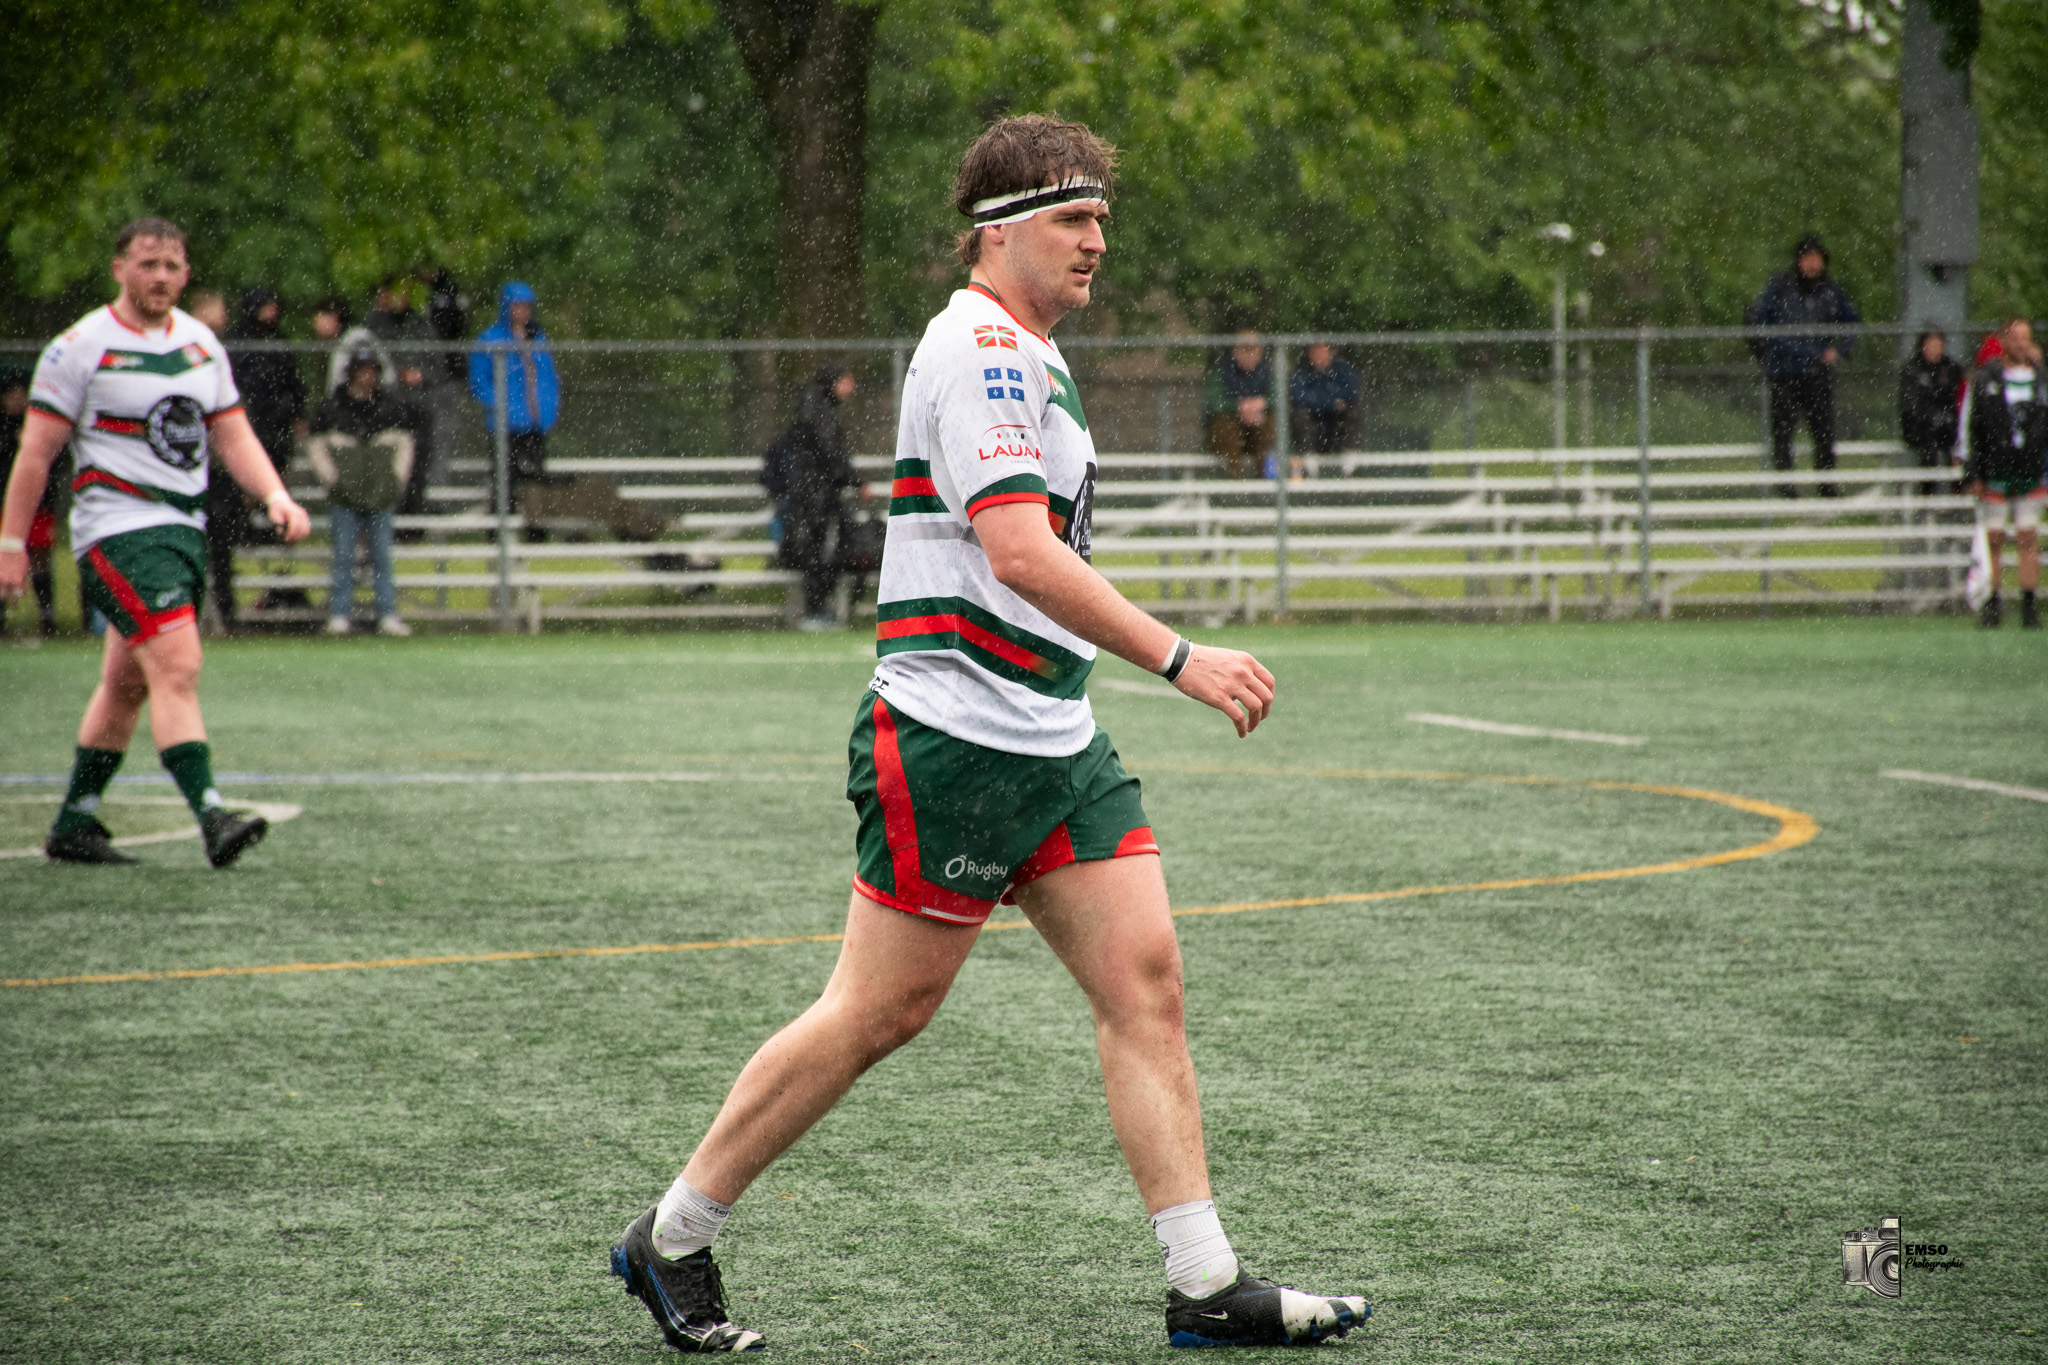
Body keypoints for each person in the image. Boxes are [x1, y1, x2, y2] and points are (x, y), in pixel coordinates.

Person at [606, 115, 1369, 1354]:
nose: (1096, 243)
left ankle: (1202, 1282)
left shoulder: (1026, 351)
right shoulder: (981, 352)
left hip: (1051, 740)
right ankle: (672, 1235)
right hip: (953, 743)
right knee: (876, 1014)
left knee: (1145, 984)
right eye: (1074, 219)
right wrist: (1180, 658)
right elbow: (1016, 551)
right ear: (1000, 230)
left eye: (1103, 221)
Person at [0, 216, 312, 866]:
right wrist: (9, 544)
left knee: (126, 683)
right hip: (117, 531)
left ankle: (75, 822)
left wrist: (276, 494)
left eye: (172, 266)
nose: (160, 276)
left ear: (187, 274)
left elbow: (231, 434)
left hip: (181, 529)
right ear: (119, 268)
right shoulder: (78, 346)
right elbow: (35, 456)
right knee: (177, 665)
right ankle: (212, 815)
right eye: (147, 264)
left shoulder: (200, 343)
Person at [204, 287, 307, 631]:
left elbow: (294, 389)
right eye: (265, 307)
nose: (271, 313)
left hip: (271, 441)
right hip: (233, 460)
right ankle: (225, 611)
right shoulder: (233, 346)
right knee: (222, 537)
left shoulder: (280, 345)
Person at [307, 348, 414, 636]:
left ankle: (387, 614)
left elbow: (404, 445)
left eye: (372, 370)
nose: (368, 376)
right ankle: (340, 613)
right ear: (352, 372)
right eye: (363, 369)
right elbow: (316, 447)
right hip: (345, 496)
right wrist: (333, 481)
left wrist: (394, 482)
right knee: (343, 555)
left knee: (381, 555)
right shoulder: (332, 408)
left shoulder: (391, 408)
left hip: (380, 494)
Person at [1745, 235, 1861, 498]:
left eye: (1816, 258)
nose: (1811, 264)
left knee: (1824, 430)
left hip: (1817, 374)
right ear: (1798, 260)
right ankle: (1786, 485)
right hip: (1786, 373)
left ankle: (1826, 482)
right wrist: (1772, 353)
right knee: (1783, 432)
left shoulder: (1831, 291)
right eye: (1806, 258)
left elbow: (1852, 322)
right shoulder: (1780, 287)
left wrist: (1840, 350)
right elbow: (1758, 322)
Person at [1960, 317, 2045, 628]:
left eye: (2027, 337)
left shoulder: (2040, 378)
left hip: (2030, 468)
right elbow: (1974, 427)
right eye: (2017, 338)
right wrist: (1973, 472)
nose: (2022, 343)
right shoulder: (1986, 380)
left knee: (2027, 536)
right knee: (1994, 538)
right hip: (1996, 467)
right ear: (2005, 341)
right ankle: (1993, 602)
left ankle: (2028, 605)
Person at [771, 364, 866, 629]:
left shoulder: (815, 405)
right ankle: (816, 609)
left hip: (815, 492)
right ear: (835, 381)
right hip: (815, 495)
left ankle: (819, 608)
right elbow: (829, 452)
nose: (852, 387)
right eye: (848, 380)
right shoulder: (819, 409)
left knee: (823, 548)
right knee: (820, 550)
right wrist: (855, 481)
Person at [468, 281, 559, 503]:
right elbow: (479, 383)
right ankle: (498, 533)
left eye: (527, 306)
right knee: (504, 486)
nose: (524, 311)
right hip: (505, 427)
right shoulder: (490, 340)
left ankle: (535, 535)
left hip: (534, 424)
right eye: (518, 306)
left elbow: (548, 378)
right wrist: (505, 405)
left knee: (536, 488)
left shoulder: (538, 338)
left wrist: (548, 408)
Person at [366, 274, 440, 516]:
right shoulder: (373, 326)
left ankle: (411, 525)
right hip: (384, 410)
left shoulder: (421, 326)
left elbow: (439, 367)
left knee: (416, 469)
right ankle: (384, 519)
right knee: (384, 466)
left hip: (416, 409)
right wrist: (391, 376)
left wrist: (420, 376)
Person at [0, 371, 60, 637]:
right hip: (6, 504)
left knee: (40, 557)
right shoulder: (2, 427)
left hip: (40, 504)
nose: (17, 400)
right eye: (12, 395)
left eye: (22, 394)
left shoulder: (37, 424)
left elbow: (56, 459)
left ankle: (47, 616)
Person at [1898, 330, 1965, 495]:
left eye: (1938, 346)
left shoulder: (1951, 368)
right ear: (1922, 347)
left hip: (1946, 425)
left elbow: (1957, 399)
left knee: (1958, 443)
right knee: (1929, 446)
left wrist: (1945, 416)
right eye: (1931, 346)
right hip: (1920, 427)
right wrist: (1930, 416)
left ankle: (1958, 490)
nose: (1935, 350)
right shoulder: (1912, 369)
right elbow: (1910, 405)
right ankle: (1928, 493)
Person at [1204, 331, 1273, 479]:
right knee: (1226, 428)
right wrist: (1240, 407)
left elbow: (1278, 399)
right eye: (1245, 349)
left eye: (1253, 350)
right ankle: (1235, 483)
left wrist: (1260, 405)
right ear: (1235, 351)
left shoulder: (1267, 372)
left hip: (1255, 430)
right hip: (1227, 434)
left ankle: (1264, 482)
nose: (1249, 355)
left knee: (1269, 426)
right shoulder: (1221, 371)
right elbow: (1214, 403)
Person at [1290, 343, 1360, 467]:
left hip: (1336, 427)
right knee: (1300, 414)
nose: (1318, 354)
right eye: (1314, 351)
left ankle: (1349, 460)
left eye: (1322, 350)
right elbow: (1298, 395)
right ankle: (1309, 460)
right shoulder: (1303, 371)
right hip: (1314, 426)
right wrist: (1331, 402)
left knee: (1352, 412)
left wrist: (1322, 400)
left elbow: (1352, 392)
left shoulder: (1342, 369)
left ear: (1330, 352)